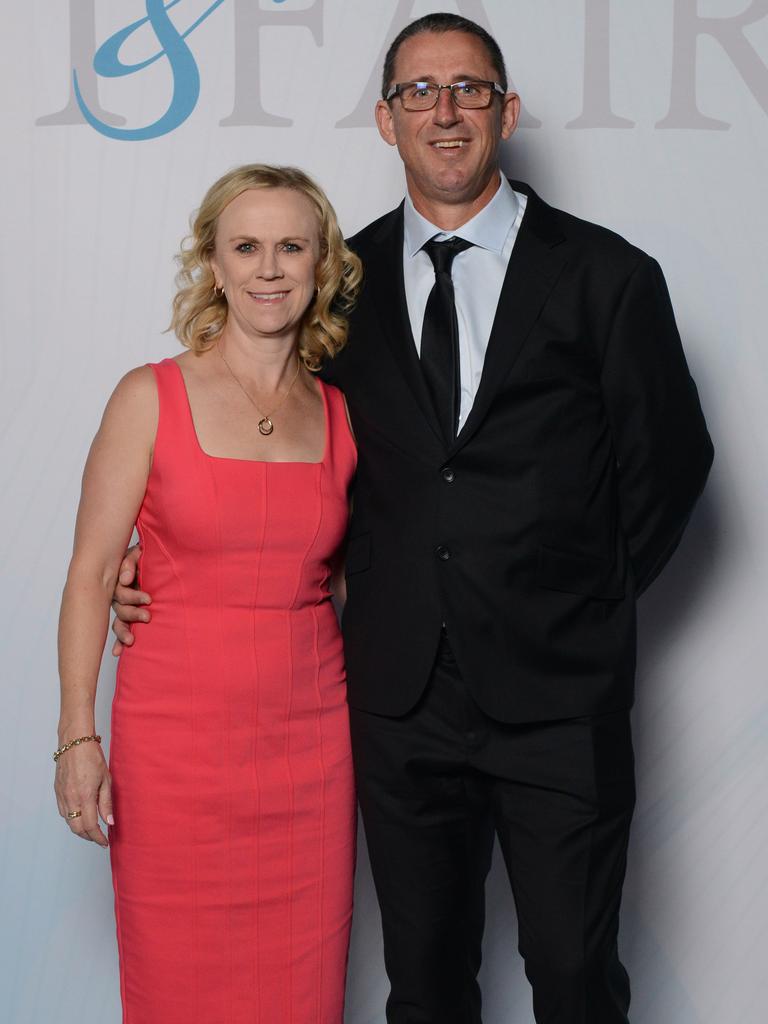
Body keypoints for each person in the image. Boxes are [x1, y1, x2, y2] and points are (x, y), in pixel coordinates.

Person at [112, 13, 714, 1024]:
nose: (445, 111)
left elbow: (673, 465)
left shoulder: (608, 276)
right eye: (419, 92)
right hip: (398, 703)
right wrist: (163, 557)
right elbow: (281, 449)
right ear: (386, 120)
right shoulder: (335, 285)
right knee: (425, 985)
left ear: (506, 113)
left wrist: (577, 601)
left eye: (469, 89)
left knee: (573, 974)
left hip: (559, 702)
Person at [54, 164, 362, 1023]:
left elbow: (353, 577)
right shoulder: (148, 396)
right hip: (175, 752)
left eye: (291, 246)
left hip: (311, 752)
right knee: (177, 984)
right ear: (215, 267)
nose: (270, 268)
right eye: (247, 247)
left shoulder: (343, 413)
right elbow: (88, 576)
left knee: (305, 991)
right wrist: (76, 735)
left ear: (321, 265)